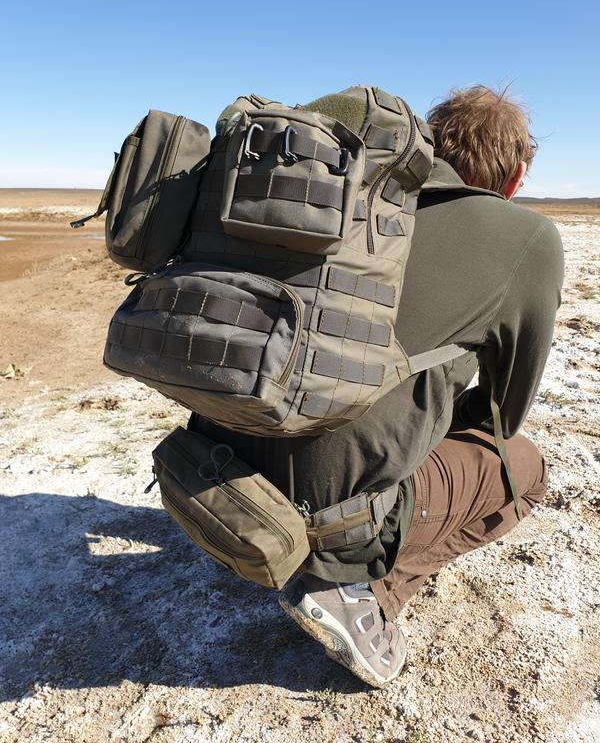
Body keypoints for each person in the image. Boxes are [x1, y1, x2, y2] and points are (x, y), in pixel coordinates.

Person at [189, 85, 564, 688]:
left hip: (214, 463)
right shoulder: (527, 237)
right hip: (321, 508)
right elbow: (503, 412)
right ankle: (365, 588)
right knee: (524, 467)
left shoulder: (340, 200)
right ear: (516, 177)